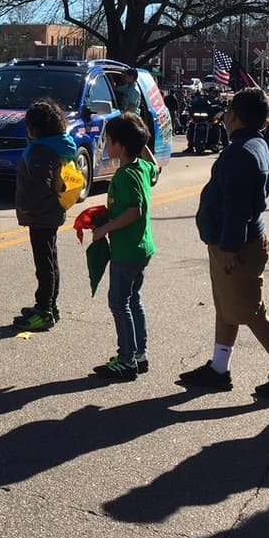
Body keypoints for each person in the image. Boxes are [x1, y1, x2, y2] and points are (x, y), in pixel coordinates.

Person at [183, 87, 269, 399]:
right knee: (227, 308)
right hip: (239, 240)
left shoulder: (239, 152)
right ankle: (219, 369)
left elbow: (238, 207)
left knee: (251, 312)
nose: (224, 117)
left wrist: (229, 247)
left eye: (227, 112)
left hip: (238, 246)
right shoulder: (256, 143)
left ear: (234, 116)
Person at [88, 113, 156, 382]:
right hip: (142, 247)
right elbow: (155, 168)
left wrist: (104, 229)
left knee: (119, 302)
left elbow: (134, 211)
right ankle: (139, 354)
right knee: (133, 299)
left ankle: (126, 360)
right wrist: (141, 140)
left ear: (120, 145)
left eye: (108, 139)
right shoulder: (142, 168)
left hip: (127, 250)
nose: (105, 143)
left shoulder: (125, 176)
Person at [13, 97, 78, 333]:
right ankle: (50, 303)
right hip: (48, 213)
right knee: (49, 259)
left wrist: (31, 206)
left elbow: (43, 184)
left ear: (37, 127)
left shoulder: (41, 151)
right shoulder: (55, 144)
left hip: (42, 214)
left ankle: (44, 310)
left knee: (45, 263)